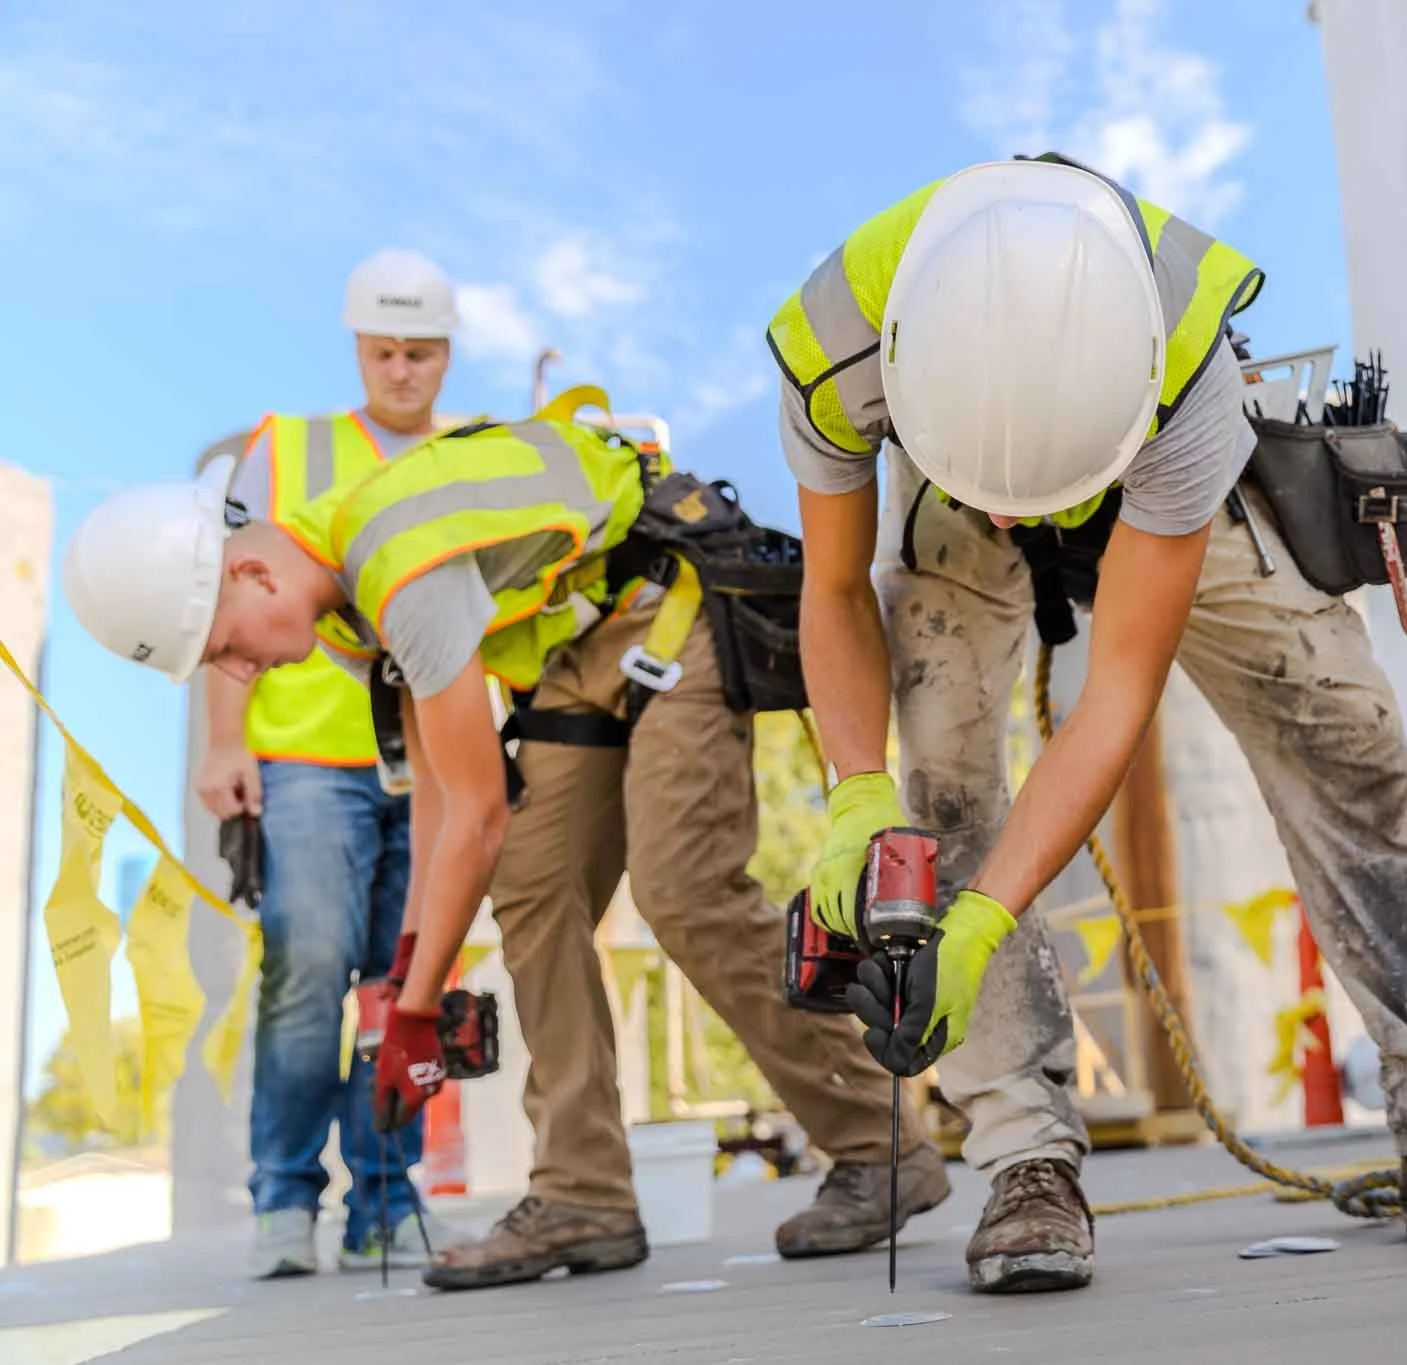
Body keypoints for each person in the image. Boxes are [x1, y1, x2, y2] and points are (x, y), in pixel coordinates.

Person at [767, 153, 1407, 1294]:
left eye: (1031, 499)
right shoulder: (828, 346)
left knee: (1343, 736)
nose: (1019, 517)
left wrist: (986, 918)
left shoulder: (1181, 368)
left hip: (1149, 482)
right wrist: (857, 795)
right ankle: (1022, 1162)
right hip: (940, 496)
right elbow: (834, 592)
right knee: (935, 787)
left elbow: (1114, 697)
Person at [62, 397, 949, 1292]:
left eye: (223, 649)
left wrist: (413, 1013)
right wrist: (413, 973)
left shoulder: (398, 565)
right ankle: (584, 1192)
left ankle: (880, 1153)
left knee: (682, 890)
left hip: (667, 600)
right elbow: (437, 804)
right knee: (533, 884)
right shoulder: (338, 610)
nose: (239, 674)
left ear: (251, 574)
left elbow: (478, 811)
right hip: (577, 645)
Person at [195, 248, 461, 1278]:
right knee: (307, 974)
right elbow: (225, 594)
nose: (402, 372)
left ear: (447, 353)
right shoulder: (286, 447)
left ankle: (388, 1205)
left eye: (421, 353)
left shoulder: (465, 455)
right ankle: (284, 1201)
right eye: (386, 352)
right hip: (306, 753)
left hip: (431, 765)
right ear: (358, 347)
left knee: (402, 984)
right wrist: (227, 740)